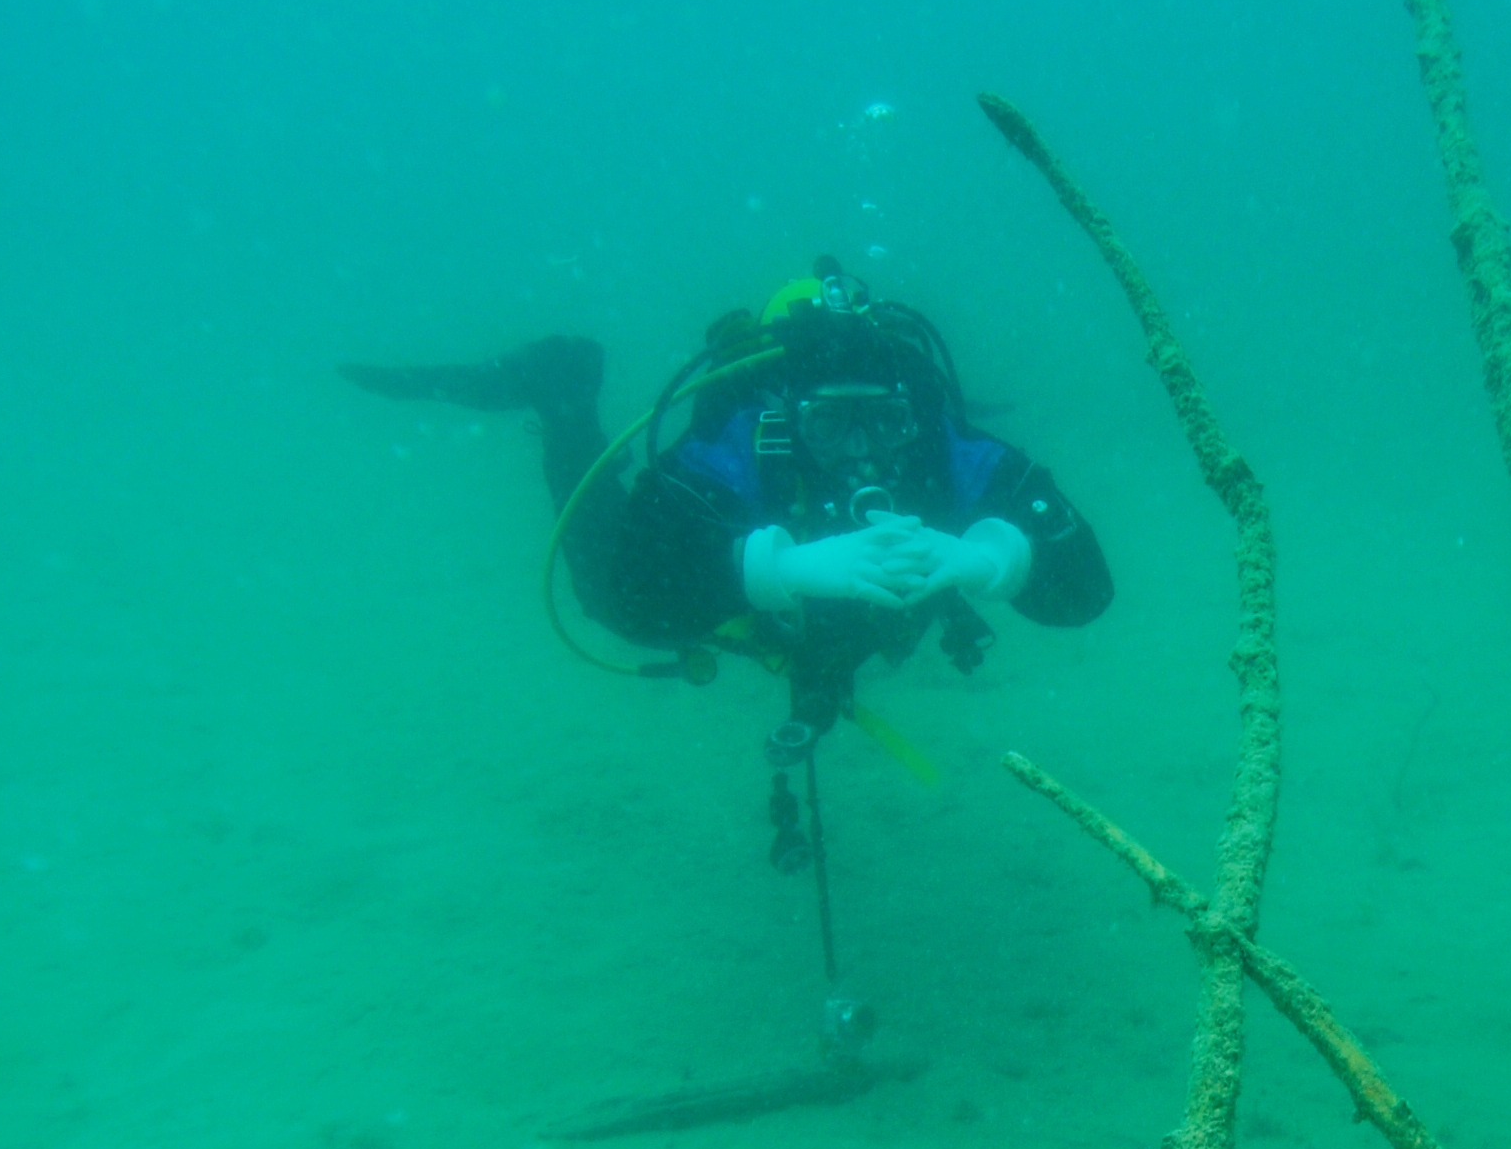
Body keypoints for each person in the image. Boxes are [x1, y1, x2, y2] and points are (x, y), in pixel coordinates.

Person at [346, 260, 1113, 876]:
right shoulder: (747, 441)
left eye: (883, 421)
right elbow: (637, 592)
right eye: (831, 424)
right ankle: (564, 401)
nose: (863, 452)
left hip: (836, 613)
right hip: (757, 576)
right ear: (789, 416)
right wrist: (773, 566)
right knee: (613, 603)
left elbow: (1086, 592)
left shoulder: (946, 452)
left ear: (915, 414)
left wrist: (989, 556)